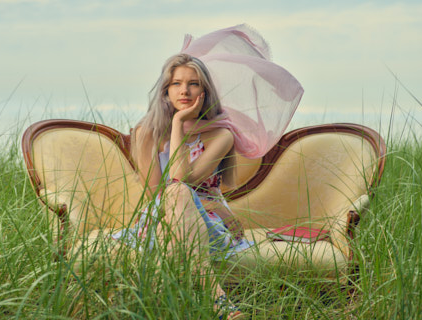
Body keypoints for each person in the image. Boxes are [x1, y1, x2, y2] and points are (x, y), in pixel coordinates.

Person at [112, 25, 304, 319]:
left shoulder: (220, 134)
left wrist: (178, 125)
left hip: (210, 224)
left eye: (194, 84)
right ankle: (221, 305)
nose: (185, 91)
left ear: (205, 90)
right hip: (159, 216)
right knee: (173, 204)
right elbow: (156, 193)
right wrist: (176, 125)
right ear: (166, 91)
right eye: (176, 84)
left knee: (177, 193)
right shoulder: (146, 133)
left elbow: (181, 180)